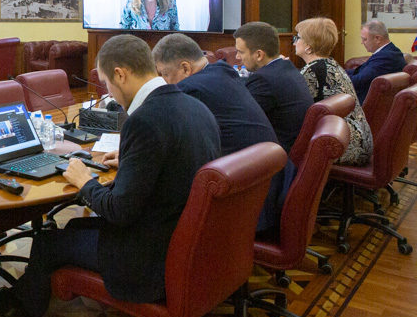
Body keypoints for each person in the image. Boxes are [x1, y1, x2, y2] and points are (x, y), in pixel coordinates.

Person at [0, 35, 220, 317]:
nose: (110, 94)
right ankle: (25, 302)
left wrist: (84, 180)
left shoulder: (144, 120)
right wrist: (129, 163)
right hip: (185, 243)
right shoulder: (197, 107)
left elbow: (119, 211)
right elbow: (170, 169)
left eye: (107, 83)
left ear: (121, 74)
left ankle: (21, 312)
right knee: (74, 228)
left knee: (47, 241)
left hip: (148, 260)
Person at [152, 33, 288, 233]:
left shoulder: (190, 89)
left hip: (245, 202)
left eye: (163, 74)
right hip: (267, 186)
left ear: (185, 68)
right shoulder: (223, 71)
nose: (164, 81)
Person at [295, 17, 373, 166]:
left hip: (343, 145)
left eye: (298, 38)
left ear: (308, 47)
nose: (294, 42)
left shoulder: (312, 71)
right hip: (360, 140)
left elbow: (296, 109)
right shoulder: (331, 64)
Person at [234, 21, 315, 153]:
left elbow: (240, 121)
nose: (237, 57)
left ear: (259, 55)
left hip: (277, 159)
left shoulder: (264, 79)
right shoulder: (287, 68)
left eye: (240, 52)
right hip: (289, 151)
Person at [345, 19, 406, 103]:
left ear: (377, 38)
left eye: (365, 39)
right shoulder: (390, 51)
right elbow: (359, 72)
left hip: (361, 104)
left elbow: (359, 80)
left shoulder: (386, 57)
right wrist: (338, 72)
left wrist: (334, 78)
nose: (362, 43)